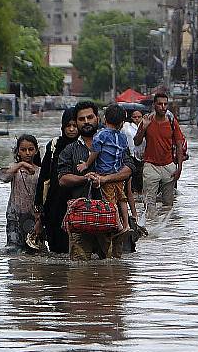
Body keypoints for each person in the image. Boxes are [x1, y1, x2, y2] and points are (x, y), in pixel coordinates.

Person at [58, 100, 132, 261]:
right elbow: (62, 179)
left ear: (98, 118)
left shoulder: (116, 141)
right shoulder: (70, 150)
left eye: (90, 117)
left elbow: (129, 168)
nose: (86, 122)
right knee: (79, 271)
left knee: (114, 270)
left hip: (111, 221)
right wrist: (84, 178)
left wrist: (105, 179)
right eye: (81, 119)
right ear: (76, 122)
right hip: (81, 218)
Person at [77, 103, 131, 234]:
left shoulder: (101, 135)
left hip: (104, 174)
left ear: (104, 119)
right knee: (122, 199)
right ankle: (127, 224)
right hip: (118, 173)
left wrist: (86, 164)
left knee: (110, 201)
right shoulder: (123, 137)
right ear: (122, 122)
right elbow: (123, 155)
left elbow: (95, 152)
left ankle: (118, 225)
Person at [34, 108, 79, 254]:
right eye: (68, 126)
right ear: (62, 126)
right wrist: (38, 207)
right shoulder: (54, 146)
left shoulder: (86, 146)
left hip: (77, 204)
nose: (71, 129)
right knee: (56, 251)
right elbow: (44, 177)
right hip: (54, 205)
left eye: (74, 125)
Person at [134, 92, 185, 221]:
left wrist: (179, 168)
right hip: (151, 166)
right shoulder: (147, 121)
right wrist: (143, 128)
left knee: (168, 204)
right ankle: (151, 229)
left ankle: (166, 232)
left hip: (168, 166)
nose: (163, 107)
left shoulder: (172, 122)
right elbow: (136, 142)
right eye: (160, 104)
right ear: (154, 105)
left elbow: (179, 146)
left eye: (165, 104)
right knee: (149, 203)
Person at [0, 134, 41, 249]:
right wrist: (20, 164)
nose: (27, 153)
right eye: (23, 150)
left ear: (36, 150)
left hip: (33, 215)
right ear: (18, 152)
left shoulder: (40, 171)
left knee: (33, 248)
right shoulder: (13, 168)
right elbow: (3, 178)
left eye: (31, 149)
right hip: (14, 215)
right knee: (13, 248)